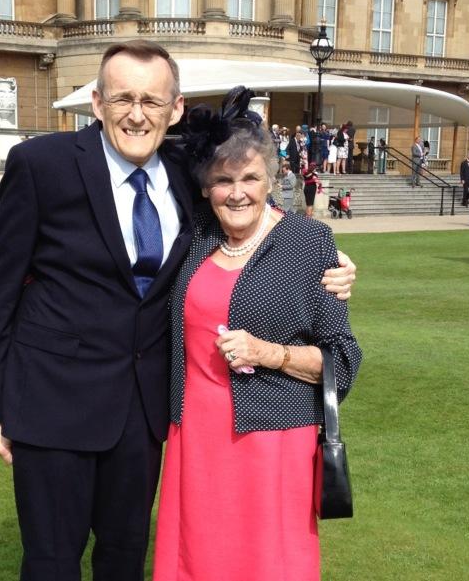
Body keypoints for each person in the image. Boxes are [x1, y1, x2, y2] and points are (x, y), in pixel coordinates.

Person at [0, 40, 360, 581]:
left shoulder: (185, 170)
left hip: (143, 411)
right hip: (51, 404)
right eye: (123, 98)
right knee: (51, 562)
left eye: (152, 101)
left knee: (123, 557)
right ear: (97, 102)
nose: (137, 114)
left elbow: (247, 196)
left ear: (175, 109)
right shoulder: (42, 164)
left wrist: (325, 255)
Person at [153, 86, 362, 581]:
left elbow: (342, 359)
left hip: (272, 441)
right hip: (194, 431)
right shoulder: (198, 233)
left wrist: (269, 352)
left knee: (266, 562)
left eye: (250, 177)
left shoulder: (309, 242)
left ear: (271, 179)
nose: (238, 191)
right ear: (205, 187)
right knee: (197, 556)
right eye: (223, 180)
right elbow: (158, 151)